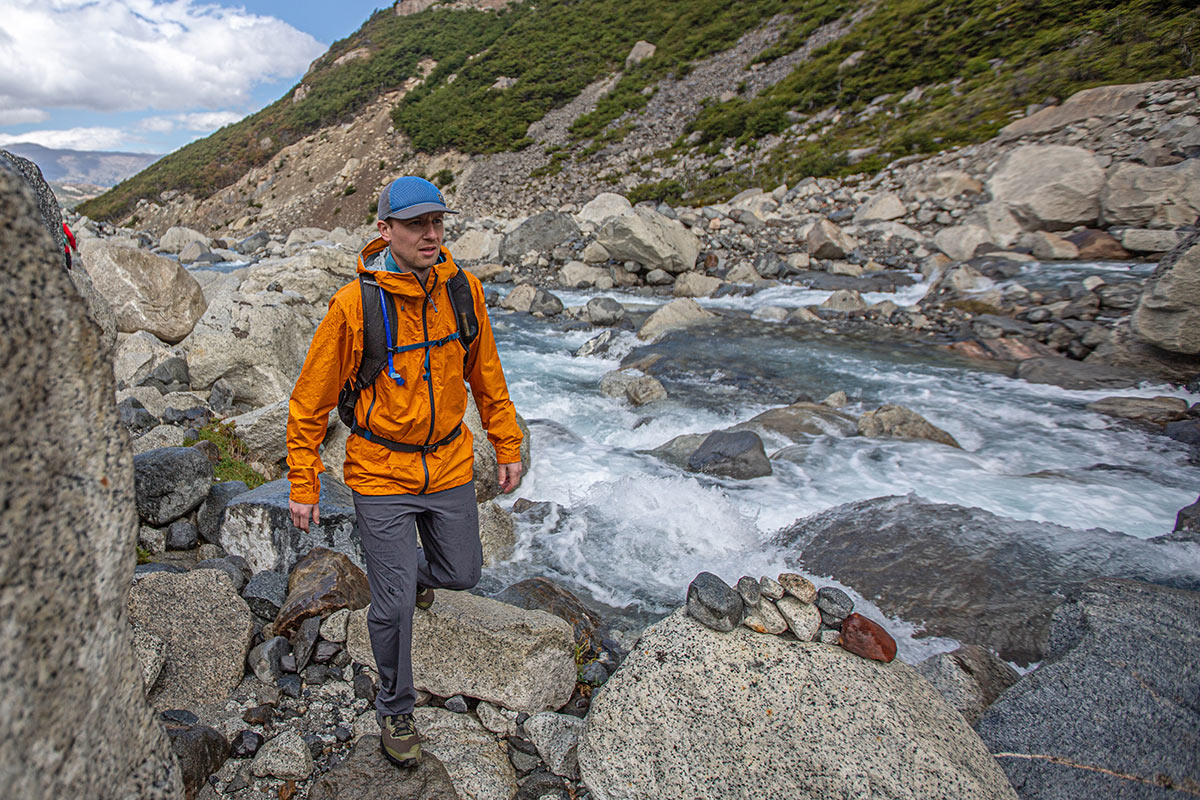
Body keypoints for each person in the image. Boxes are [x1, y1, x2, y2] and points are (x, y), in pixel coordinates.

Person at [285, 176, 524, 768]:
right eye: (417, 224)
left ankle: (409, 576)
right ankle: (395, 708)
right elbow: (310, 401)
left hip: (447, 462)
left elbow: (486, 374)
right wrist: (303, 480)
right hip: (380, 471)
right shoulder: (354, 306)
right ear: (384, 230)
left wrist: (507, 442)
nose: (431, 234)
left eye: (438, 222)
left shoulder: (463, 290)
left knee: (463, 572)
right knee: (390, 606)